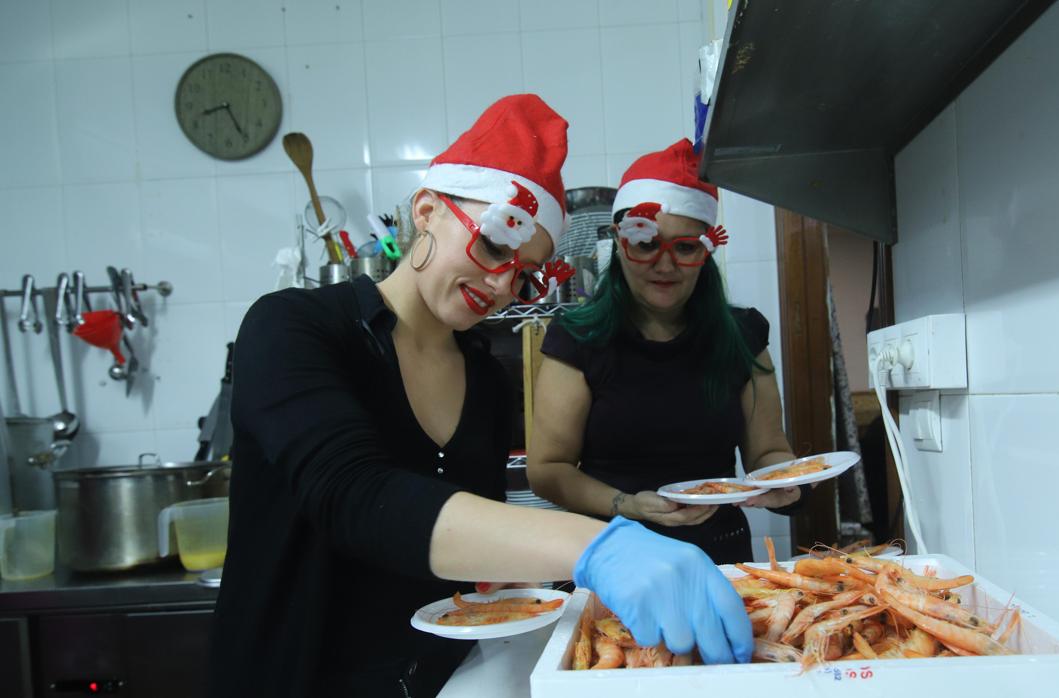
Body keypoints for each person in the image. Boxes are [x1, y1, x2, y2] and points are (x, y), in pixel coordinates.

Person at [208, 99, 753, 698]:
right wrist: (596, 545)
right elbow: (353, 495)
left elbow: (470, 561)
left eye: (524, 275)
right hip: (294, 674)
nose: (500, 286)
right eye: (494, 247)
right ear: (427, 211)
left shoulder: (484, 377)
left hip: (439, 682)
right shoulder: (293, 328)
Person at [527, 139, 805, 565]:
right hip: (615, 554)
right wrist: (627, 503)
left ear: (706, 250)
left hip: (720, 559)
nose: (664, 264)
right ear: (620, 244)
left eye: (686, 247)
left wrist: (787, 484)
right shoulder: (577, 339)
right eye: (645, 242)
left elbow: (768, 451)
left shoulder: (742, 335)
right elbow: (548, 470)